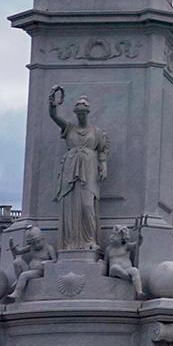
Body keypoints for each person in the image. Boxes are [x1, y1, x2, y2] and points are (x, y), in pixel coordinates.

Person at [49, 86, 110, 250]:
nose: (81, 116)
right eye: (78, 114)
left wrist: (103, 165)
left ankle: (90, 240)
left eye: (83, 113)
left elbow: (102, 149)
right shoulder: (69, 128)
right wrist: (52, 102)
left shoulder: (96, 132)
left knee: (87, 205)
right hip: (70, 168)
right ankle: (71, 241)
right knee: (70, 206)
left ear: (88, 113)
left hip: (89, 167)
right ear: (76, 114)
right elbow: (53, 116)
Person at [7, 225, 56, 300]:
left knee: (24, 275)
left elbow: (54, 260)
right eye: (33, 243)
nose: (36, 245)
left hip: (39, 271)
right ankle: (18, 279)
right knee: (17, 262)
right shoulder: (31, 247)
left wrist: (47, 262)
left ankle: (17, 291)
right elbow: (18, 252)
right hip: (29, 269)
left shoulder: (49, 248)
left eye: (38, 242)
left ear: (43, 238)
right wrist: (12, 247)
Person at [104, 225, 143, 298]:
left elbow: (137, 245)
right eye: (113, 234)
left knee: (135, 270)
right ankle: (130, 278)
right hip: (114, 272)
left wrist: (140, 237)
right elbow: (105, 263)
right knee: (115, 268)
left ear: (123, 238)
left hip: (127, 269)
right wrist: (103, 273)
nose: (112, 237)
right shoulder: (109, 249)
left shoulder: (126, 246)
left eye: (116, 235)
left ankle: (139, 292)